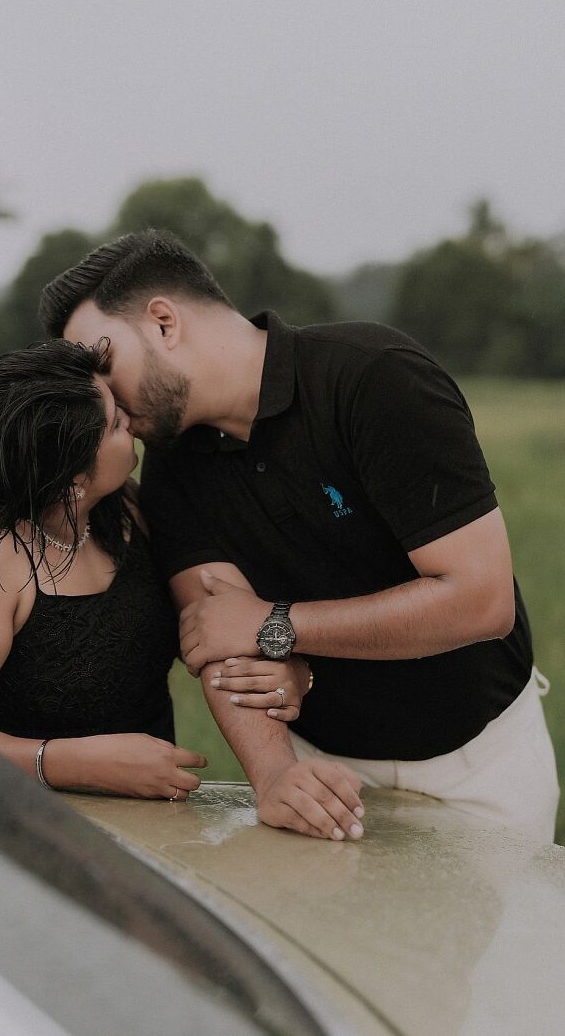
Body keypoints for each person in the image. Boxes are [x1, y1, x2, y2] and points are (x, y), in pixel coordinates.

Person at [39, 230, 560, 844]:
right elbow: (218, 638)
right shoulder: (171, 466)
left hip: (482, 762)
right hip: (325, 769)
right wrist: (276, 775)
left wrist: (277, 625)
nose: (100, 399)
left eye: (102, 363)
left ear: (162, 322)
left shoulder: (372, 377)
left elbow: (481, 599)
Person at [0, 340, 206, 800]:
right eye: (118, 424)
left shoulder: (125, 508)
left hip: (152, 824)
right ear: (71, 484)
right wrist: (73, 763)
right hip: (19, 823)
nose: (130, 419)